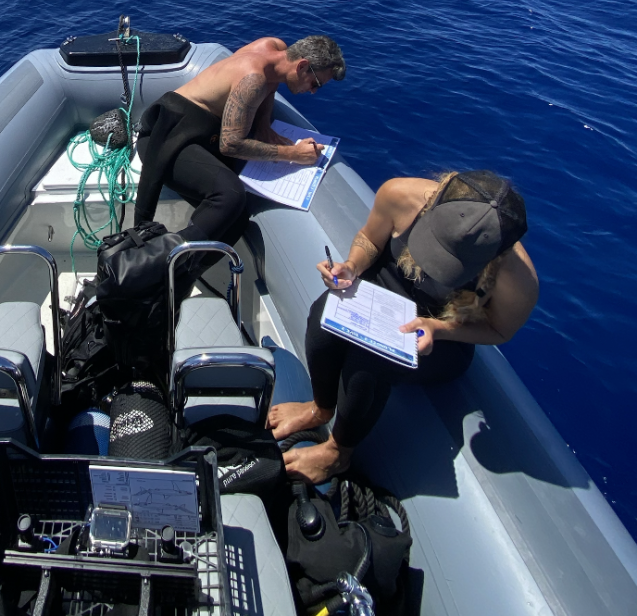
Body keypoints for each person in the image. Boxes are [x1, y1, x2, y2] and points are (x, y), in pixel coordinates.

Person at [267, 170, 539, 483]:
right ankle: (320, 408)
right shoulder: (400, 194)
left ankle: (338, 453)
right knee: (321, 316)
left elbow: (499, 330)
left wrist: (440, 329)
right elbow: (369, 238)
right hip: (382, 293)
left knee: (370, 359)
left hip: (442, 333)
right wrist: (352, 266)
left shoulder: (519, 280)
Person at [134, 35, 346, 248]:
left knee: (236, 223)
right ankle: (160, 260)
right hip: (169, 134)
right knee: (230, 196)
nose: (313, 91)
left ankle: (183, 270)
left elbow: (271, 84)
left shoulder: (274, 46)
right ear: (302, 65)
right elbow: (230, 144)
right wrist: (294, 154)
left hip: (200, 132)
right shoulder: (253, 78)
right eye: (315, 82)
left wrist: (263, 124)